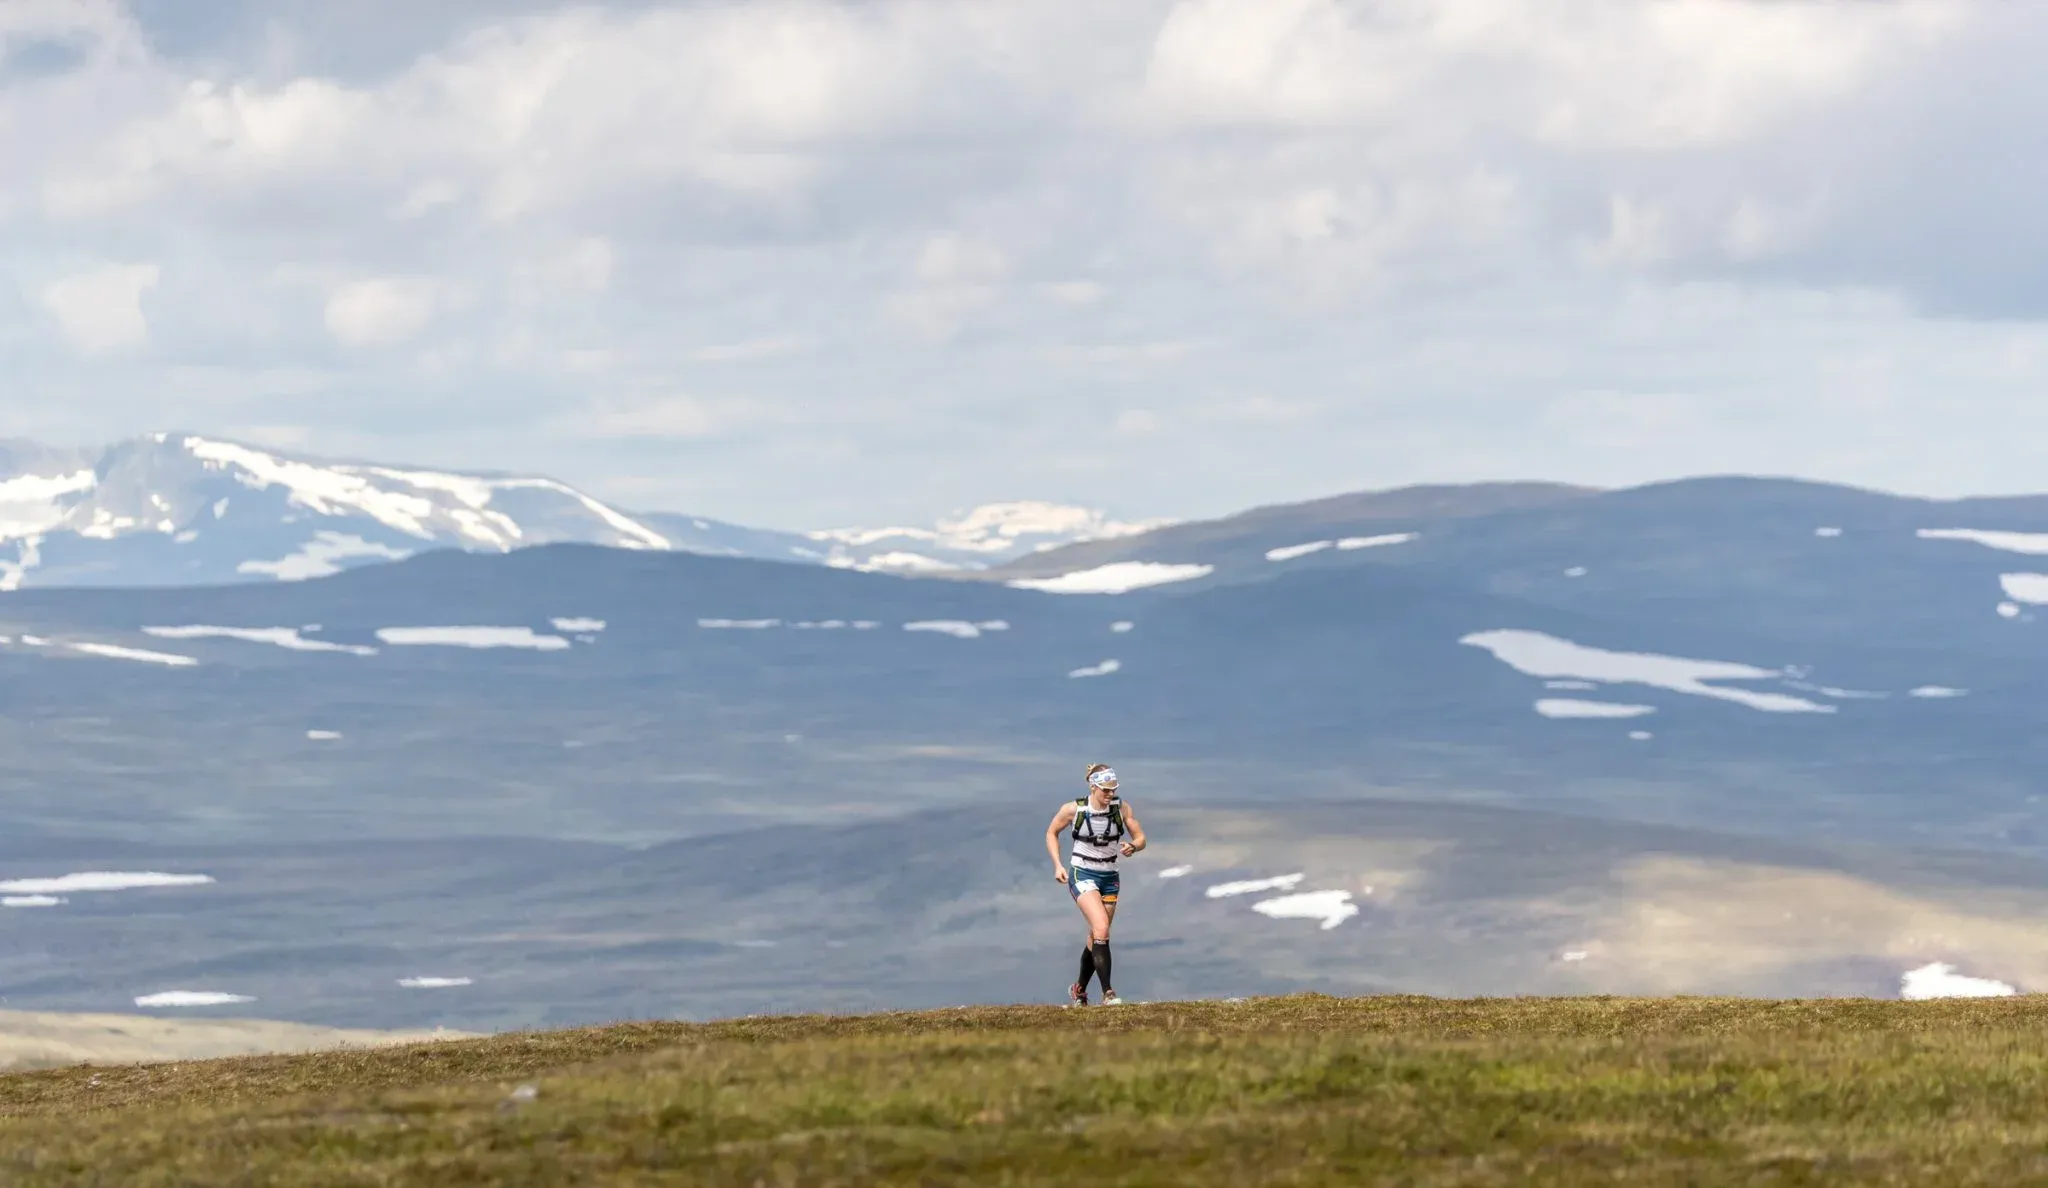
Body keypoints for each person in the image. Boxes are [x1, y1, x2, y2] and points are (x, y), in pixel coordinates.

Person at [1046, 762, 1146, 1006]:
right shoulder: (1073, 810)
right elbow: (1051, 833)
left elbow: (1141, 837)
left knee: (1096, 937)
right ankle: (1108, 993)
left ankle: (1079, 990)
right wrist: (1058, 865)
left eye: (1113, 789)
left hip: (1110, 876)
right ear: (1093, 787)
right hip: (1082, 873)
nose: (1110, 794)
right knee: (1102, 928)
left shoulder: (1121, 808)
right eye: (1105, 790)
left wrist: (1133, 846)